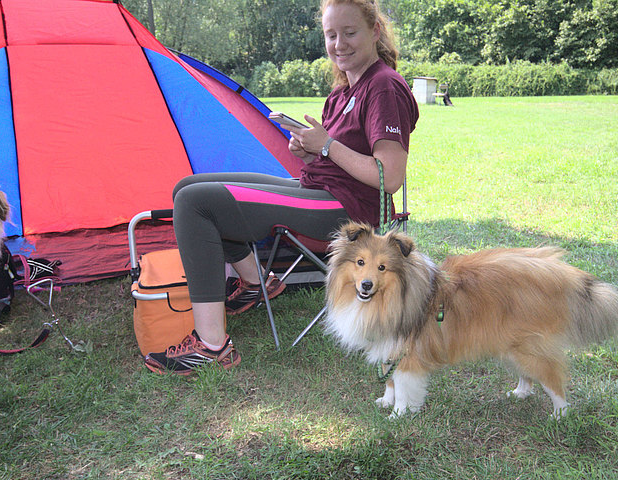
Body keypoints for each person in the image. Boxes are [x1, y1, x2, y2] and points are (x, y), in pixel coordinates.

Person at [144, 0, 420, 375]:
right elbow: (338, 159)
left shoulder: (384, 87)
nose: (339, 44)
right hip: (322, 191)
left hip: (349, 215)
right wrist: (310, 151)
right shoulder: (343, 91)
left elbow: (390, 175)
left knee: (196, 203)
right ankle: (257, 284)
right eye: (331, 35)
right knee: (188, 188)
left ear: (374, 31)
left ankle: (213, 347)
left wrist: (327, 145)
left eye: (350, 32)